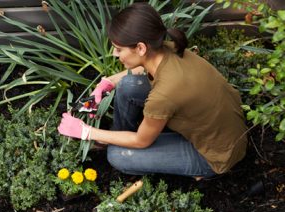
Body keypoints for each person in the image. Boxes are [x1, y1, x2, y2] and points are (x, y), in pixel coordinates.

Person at [57, 2, 248, 180]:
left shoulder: (164, 94)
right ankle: (120, 136)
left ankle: (200, 172)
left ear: (140, 47)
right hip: (225, 127)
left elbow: (142, 142)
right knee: (128, 85)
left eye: (118, 49)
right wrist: (108, 82)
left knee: (117, 155)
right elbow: (143, 67)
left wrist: (87, 132)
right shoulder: (167, 48)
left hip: (214, 155)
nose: (115, 54)